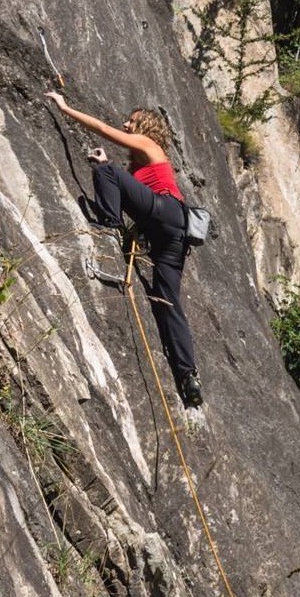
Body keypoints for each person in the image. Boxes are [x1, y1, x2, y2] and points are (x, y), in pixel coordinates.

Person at [45, 90, 203, 407]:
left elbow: (105, 130)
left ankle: (108, 224)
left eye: (131, 121)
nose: (125, 124)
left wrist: (66, 108)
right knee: (168, 302)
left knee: (108, 171)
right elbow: (134, 192)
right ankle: (188, 376)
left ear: (144, 127)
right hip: (173, 234)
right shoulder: (142, 167)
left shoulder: (150, 145)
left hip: (165, 214)